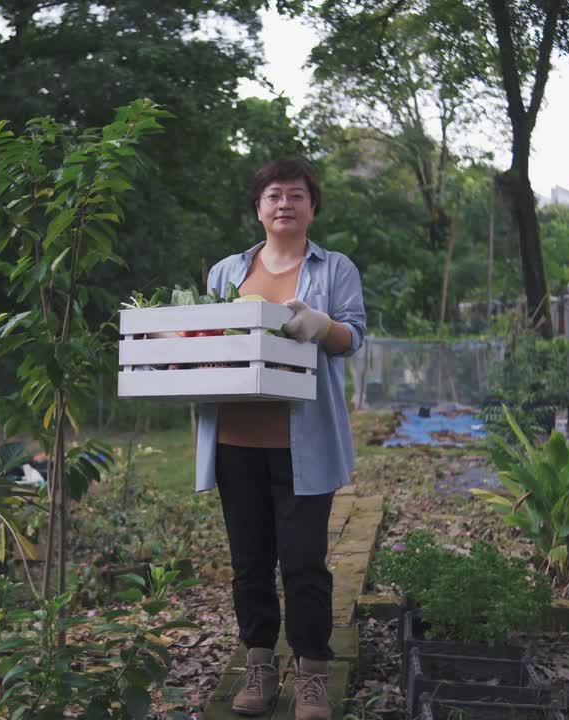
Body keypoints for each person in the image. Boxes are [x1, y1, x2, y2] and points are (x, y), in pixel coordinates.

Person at [196, 158, 366, 719]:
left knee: (303, 562)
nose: (285, 204)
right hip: (235, 442)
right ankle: (260, 665)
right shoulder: (225, 273)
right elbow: (207, 341)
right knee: (249, 563)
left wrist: (322, 326)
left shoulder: (335, 267)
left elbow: (353, 337)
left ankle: (313, 673)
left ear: (312, 207)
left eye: (297, 195)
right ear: (258, 208)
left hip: (304, 442)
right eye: (274, 195)